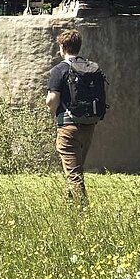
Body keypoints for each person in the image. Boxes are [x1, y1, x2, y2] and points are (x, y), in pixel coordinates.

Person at [44, 29, 105, 204]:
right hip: (88, 126)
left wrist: (52, 112)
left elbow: (52, 100)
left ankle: (82, 210)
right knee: (75, 169)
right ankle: (70, 205)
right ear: (78, 47)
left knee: (74, 174)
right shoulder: (90, 68)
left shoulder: (59, 70)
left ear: (62, 48)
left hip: (68, 128)